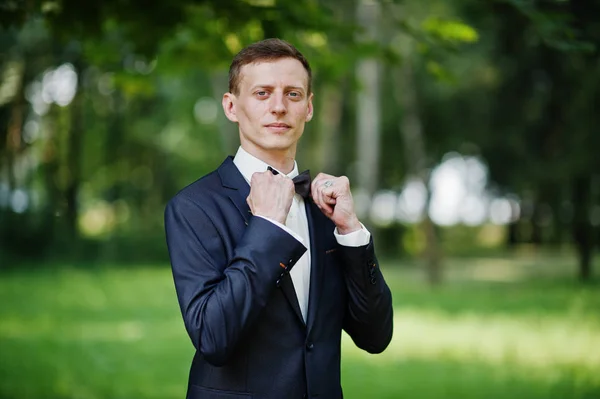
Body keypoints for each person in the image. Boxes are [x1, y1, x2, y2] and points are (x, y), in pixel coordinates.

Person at [164, 38, 393, 399]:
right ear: (231, 106)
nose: (278, 107)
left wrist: (351, 233)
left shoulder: (326, 208)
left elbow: (376, 337)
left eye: (293, 94)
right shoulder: (193, 207)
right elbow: (213, 337)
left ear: (309, 108)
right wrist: (268, 228)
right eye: (261, 93)